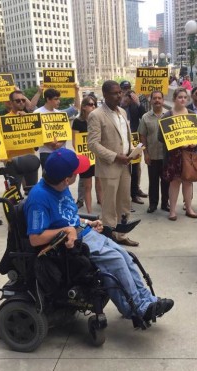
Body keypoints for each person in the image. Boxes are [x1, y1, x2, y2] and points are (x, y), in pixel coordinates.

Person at [24, 149, 174, 322]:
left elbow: (65, 216)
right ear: (67, 179)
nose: (79, 174)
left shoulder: (60, 187)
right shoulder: (39, 198)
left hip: (85, 233)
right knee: (116, 261)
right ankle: (137, 308)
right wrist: (66, 231)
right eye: (76, 173)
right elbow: (35, 238)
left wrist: (87, 223)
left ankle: (148, 301)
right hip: (71, 245)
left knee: (126, 256)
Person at [87, 80, 138, 247]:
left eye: (120, 93)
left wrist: (132, 151)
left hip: (125, 165)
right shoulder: (96, 115)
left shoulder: (122, 112)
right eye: (115, 93)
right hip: (109, 166)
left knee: (124, 201)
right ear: (105, 95)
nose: (119, 95)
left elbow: (124, 137)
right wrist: (116, 156)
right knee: (109, 206)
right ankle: (109, 239)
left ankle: (121, 235)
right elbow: (93, 144)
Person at [158, 87, 197, 221]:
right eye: (180, 97)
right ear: (174, 99)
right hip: (174, 155)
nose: (182, 99)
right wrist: (176, 143)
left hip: (189, 153)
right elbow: (160, 137)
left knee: (188, 181)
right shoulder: (167, 116)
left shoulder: (192, 114)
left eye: (185, 97)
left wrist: (194, 143)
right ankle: (173, 211)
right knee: (174, 182)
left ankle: (189, 208)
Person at [138, 90, 169, 213]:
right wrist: (145, 154)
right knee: (153, 182)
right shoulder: (145, 117)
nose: (157, 100)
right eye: (154, 98)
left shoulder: (169, 116)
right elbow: (142, 136)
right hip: (152, 155)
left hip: (166, 156)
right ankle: (153, 204)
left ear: (163, 100)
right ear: (150, 101)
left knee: (166, 182)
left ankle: (165, 204)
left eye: (159, 98)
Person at [4, 90, 41, 190]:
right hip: (12, 162)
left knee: (32, 192)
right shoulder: (4, 120)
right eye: (18, 100)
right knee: (13, 193)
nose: (21, 102)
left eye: (23, 100)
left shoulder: (31, 118)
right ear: (11, 102)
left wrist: (27, 119)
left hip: (29, 160)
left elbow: (37, 140)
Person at [34, 87, 80, 168]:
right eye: (56, 99)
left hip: (61, 151)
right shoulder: (37, 113)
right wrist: (49, 143)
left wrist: (60, 144)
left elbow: (65, 132)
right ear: (48, 99)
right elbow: (36, 134)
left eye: (59, 99)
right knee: (48, 178)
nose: (59, 101)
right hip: (46, 152)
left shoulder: (60, 113)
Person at [72, 96, 102, 214]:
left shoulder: (97, 120)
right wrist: (84, 156)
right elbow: (75, 143)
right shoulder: (77, 122)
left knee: (100, 185)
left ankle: (104, 209)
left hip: (98, 157)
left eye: (94, 104)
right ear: (83, 107)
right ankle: (90, 212)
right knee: (87, 186)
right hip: (86, 158)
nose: (93, 106)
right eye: (90, 104)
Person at [119, 81, 147, 205]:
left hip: (134, 137)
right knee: (125, 168)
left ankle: (135, 191)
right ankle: (127, 193)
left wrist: (138, 103)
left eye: (129, 88)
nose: (127, 91)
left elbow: (144, 116)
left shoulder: (135, 105)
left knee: (136, 167)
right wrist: (123, 102)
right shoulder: (119, 103)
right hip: (122, 139)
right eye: (125, 89)